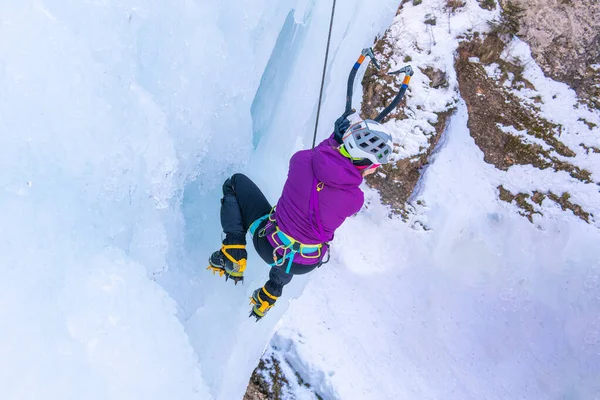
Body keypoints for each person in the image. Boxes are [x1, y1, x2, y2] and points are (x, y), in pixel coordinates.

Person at [207, 113, 394, 320]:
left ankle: (233, 250)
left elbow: (319, 159)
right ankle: (271, 292)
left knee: (235, 183)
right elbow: (335, 179)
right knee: (303, 233)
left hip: (269, 246)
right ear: (370, 166)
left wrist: (334, 139)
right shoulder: (355, 199)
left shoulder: (300, 161)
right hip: (303, 263)